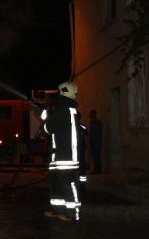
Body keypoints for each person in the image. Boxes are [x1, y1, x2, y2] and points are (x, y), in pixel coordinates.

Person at [41, 81, 81, 222]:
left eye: (58, 93)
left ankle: (71, 212)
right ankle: (58, 210)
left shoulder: (63, 108)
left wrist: (45, 116)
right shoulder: (67, 108)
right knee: (57, 184)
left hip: (64, 156)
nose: (56, 96)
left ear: (63, 93)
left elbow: (48, 128)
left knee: (66, 184)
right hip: (59, 156)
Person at [76, 112, 88, 195]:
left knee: (82, 167)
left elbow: (86, 135)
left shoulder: (82, 127)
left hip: (80, 149)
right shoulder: (70, 126)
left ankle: (82, 185)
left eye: (78, 117)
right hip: (73, 149)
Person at [88, 109, 103, 174]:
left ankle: (98, 169)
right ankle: (96, 169)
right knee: (94, 156)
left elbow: (98, 132)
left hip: (96, 141)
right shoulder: (92, 122)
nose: (90, 115)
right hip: (94, 141)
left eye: (91, 113)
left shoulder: (97, 122)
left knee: (96, 155)